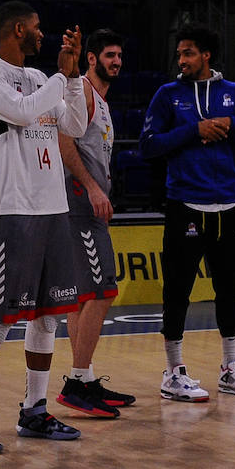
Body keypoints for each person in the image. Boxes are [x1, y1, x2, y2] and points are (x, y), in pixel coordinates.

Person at [0, 0, 88, 454]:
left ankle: (35, 410)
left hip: (53, 208)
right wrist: (59, 77)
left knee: (48, 316)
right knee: (1, 318)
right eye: (38, 28)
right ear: (19, 30)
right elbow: (25, 112)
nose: (44, 35)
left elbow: (78, 125)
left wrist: (74, 76)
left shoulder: (40, 79)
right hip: (12, 209)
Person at [139, 23, 235, 401]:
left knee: (228, 290)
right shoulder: (167, 95)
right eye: (180, 54)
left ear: (206, 55)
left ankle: (231, 367)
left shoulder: (234, 93)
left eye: (189, 53)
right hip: (184, 204)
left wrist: (232, 124)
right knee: (178, 291)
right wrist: (195, 129)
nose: (182, 60)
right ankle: (173, 371)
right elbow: (149, 146)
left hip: (226, 205)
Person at [55, 28, 137, 418]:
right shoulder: (84, 92)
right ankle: (75, 382)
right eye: (109, 55)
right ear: (91, 58)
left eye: (119, 55)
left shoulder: (101, 101)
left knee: (84, 297)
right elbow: (63, 140)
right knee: (103, 292)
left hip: (87, 204)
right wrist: (91, 187)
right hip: (78, 204)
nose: (116, 61)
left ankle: (84, 378)